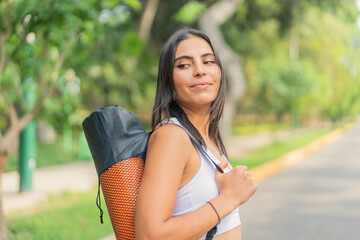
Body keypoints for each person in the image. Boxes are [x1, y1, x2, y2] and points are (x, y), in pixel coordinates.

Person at [135, 28, 257, 240]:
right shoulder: (172, 136)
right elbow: (149, 235)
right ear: (168, 80)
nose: (200, 71)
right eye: (184, 65)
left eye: (208, 61)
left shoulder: (206, 137)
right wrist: (228, 199)